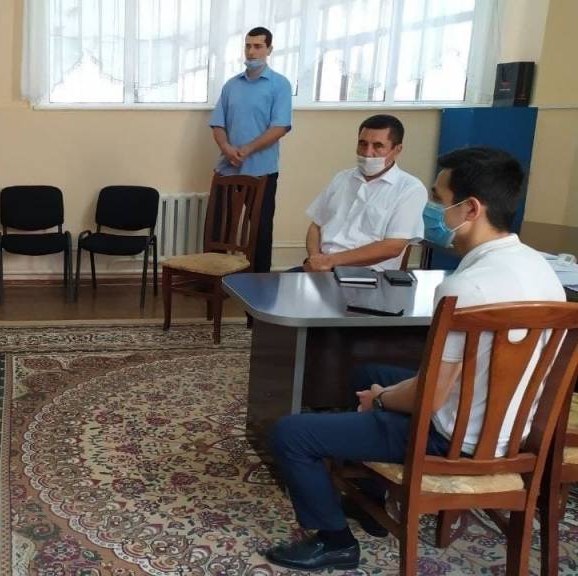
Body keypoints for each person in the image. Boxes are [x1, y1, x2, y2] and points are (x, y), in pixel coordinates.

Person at [265, 147, 566, 571]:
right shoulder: (542, 271)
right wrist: (381, 389)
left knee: (291, 434)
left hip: (451, 440)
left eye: (440, 199)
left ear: (471, 209)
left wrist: (380, 399)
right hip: (510, 429)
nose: (432, 211)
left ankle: (335, 542)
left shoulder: (464, 288)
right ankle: (370, 496)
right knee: (368, 372)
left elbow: (431, 396)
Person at [210, 26, 292, 273]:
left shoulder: (279, 85)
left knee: (260, 230)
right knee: (219, 228)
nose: (251, 51)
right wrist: (227, 148)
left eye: (258, 46)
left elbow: (280, 127)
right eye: (248, 45)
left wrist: (246, 150)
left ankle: (260, 284)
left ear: (269, 49)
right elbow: (218, 123)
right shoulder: (231, 85)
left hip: (262, 171)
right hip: (228, 169)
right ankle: (214, 280)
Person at [301, 114, 427, 272]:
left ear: (397, 149)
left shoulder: (410, 189)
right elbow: (316, 225)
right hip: (321, 268)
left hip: (368, 275)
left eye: (378, 146)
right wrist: (315, 259)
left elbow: (393, 246)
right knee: (275, 285)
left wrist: (330, 261)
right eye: (363, 144)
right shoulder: (342, 178)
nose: (367, 153)